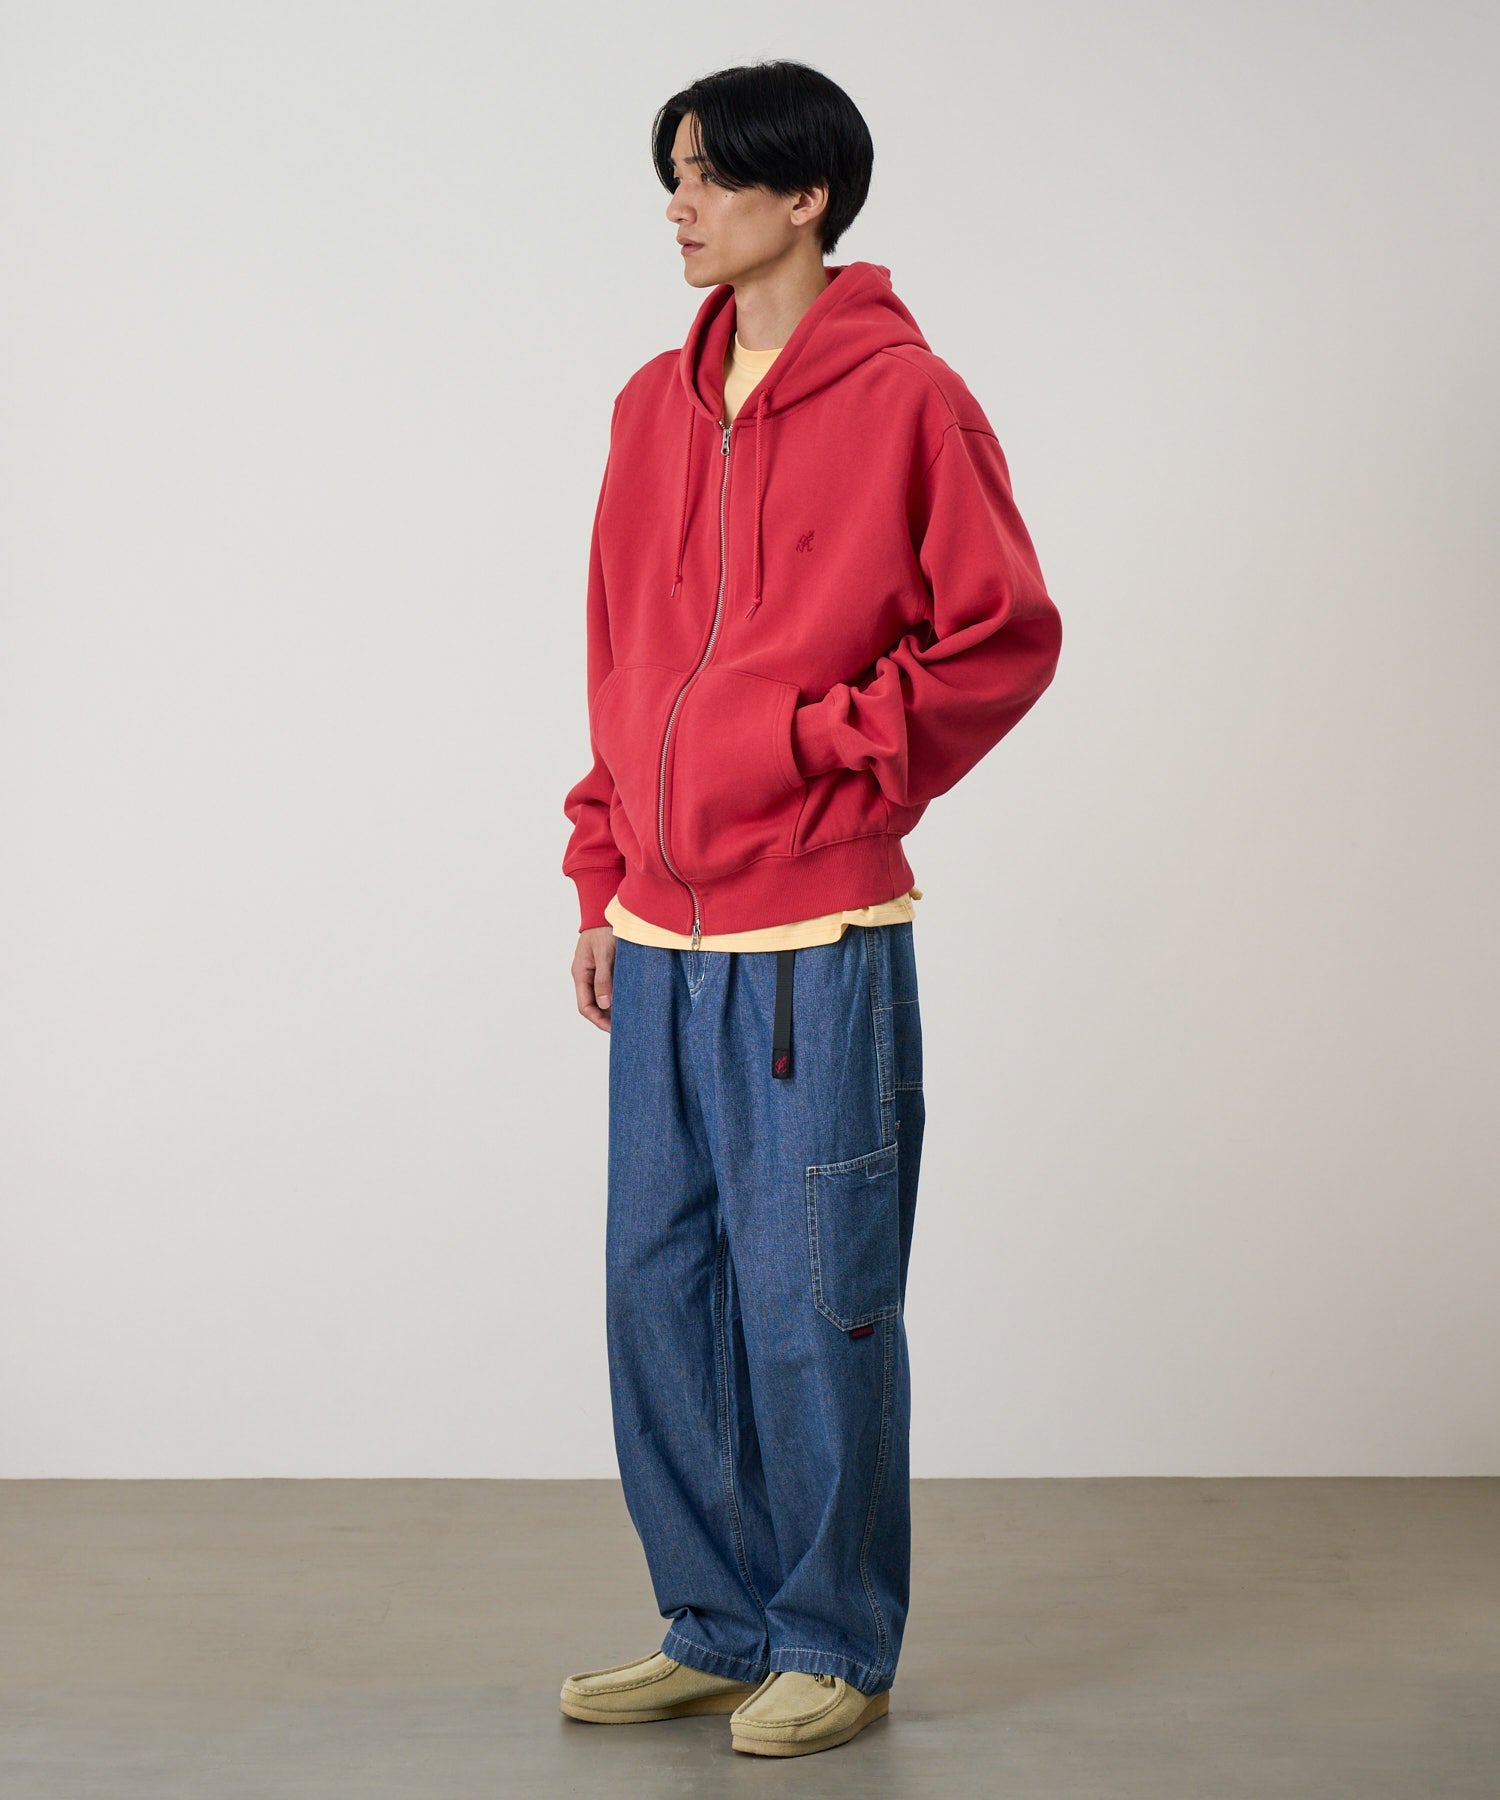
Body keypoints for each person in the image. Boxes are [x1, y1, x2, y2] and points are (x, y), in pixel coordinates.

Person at [557, 59, 1062, 1759]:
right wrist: (599, 868)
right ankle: (714, 1624)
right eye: (674, 175)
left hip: (814, 945)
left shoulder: (912, 401)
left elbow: (1001, 639)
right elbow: (619, 659)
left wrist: (810, 748)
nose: (680, 205)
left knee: (815, 1298)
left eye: (710, 175)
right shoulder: (651, 406)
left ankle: (834, 1642)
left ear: (807, 195)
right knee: (661, 1296)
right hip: (658, 937)